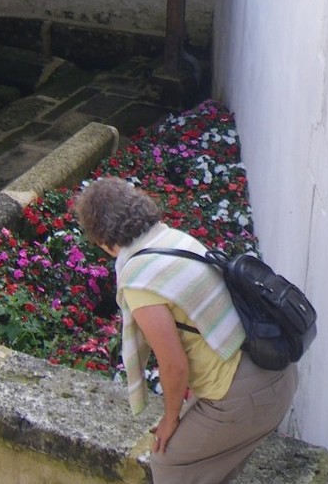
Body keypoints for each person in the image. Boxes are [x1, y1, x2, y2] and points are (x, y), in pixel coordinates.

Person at [72, 177, 297, 484]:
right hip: (275, 373)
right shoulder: (172, 240)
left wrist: (169, 419)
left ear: (100, 235)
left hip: (248, 395)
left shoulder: (139, 278)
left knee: (168, 462)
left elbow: (174, 365)